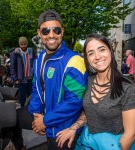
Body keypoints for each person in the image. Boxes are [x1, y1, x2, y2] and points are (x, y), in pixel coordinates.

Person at [10, 9, 88, 150]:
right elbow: (36, 89)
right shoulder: (39, 59)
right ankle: (19, 145)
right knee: (10, 118)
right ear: (39, 33)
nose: (51, 35)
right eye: (46, 31)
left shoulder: (74, 61)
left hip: (63, 128)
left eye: (56, 30)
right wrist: (36, 116)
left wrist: (45, 122)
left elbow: (74, 102)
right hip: (43, 116)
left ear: (62, 32)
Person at [56, 33, 135, 150]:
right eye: (91, 53)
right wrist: (73, 128)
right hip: (87, 143)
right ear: (87, 58)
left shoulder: (126, 87)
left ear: (110, 51)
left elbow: (131, 134)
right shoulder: (89, 80)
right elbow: (89, 111)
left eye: (102, 50)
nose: (97, 56)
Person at [10, 37, 35, 107]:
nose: (23, 46)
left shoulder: (31, 51)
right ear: (19, 44)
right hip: (21, 79)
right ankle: (22, 110)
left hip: (30, 78)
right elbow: (12, 67)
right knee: (22, 97)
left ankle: (30, 110)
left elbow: (35, 62)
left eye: (25, 44)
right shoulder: (15, 53)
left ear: (27, 43)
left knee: (30, 96)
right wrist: (15, 78)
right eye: (21, 44)